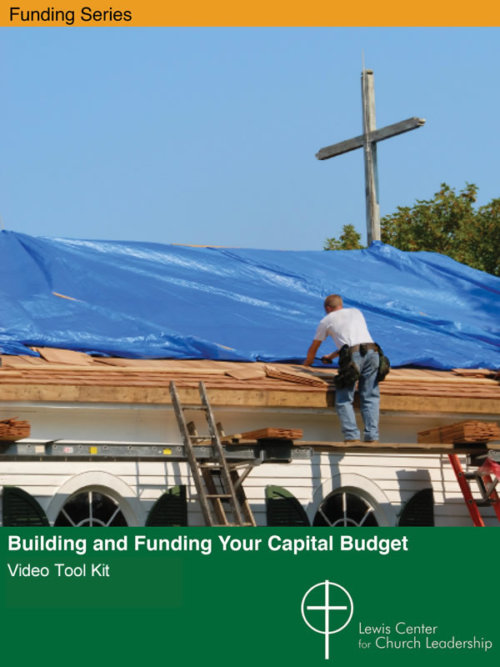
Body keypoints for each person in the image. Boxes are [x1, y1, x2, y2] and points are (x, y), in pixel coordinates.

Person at [303, 294, 380, 443]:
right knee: (370, 396)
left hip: (352, 357)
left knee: (344, 398)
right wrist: (331, 357)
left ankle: (351, 436)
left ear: (327, 308)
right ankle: (372, 437)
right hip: (373, 353)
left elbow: (314, 348)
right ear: (341, 305)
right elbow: (355, 342)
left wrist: (307, 362)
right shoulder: (356, 312)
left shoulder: (326, 320)